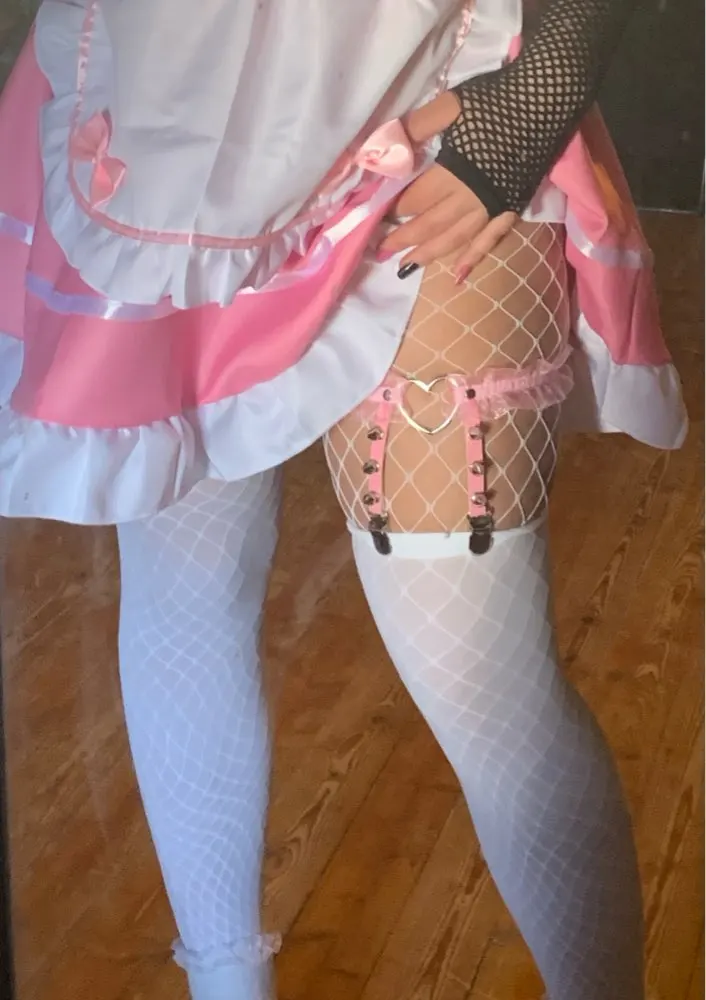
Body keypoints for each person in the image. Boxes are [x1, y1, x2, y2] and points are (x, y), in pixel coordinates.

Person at [0, 1, 688, 998]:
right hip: (170, 131)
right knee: (188, 594)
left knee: (478, 673)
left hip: (440, 102)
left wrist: (531, 102)